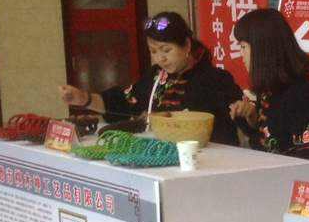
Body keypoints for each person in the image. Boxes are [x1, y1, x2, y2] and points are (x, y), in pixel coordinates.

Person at [58, 11, 243, 146]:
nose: (160, 58)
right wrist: (83, 99)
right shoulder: (156, 76)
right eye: (153, 51)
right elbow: (123, 102)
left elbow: (231, 124)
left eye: (166, 50)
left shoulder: (216, 80)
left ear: (187, 45)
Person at [229, 8, 309, 167]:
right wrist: (251, 119)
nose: (241, 55)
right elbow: (268, 140)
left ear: (263, 51)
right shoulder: (270, 90)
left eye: (243, 47)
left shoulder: (301, 94)